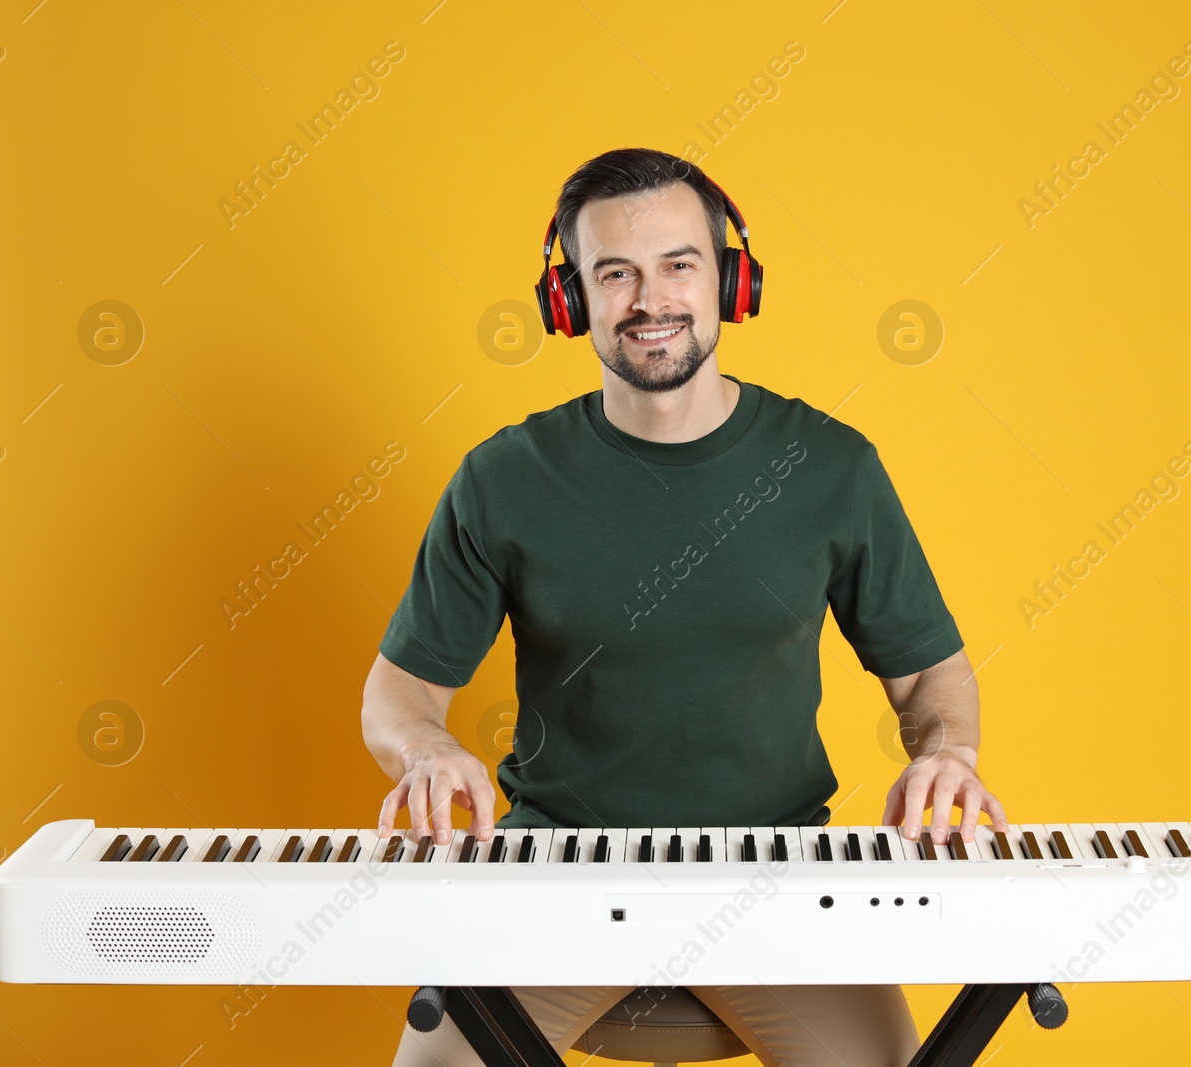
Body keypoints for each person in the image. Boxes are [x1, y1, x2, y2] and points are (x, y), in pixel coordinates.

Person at [361, 147, 1008, 1067]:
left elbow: (926, 673)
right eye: (614, 273)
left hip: (778, 881)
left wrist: (948, 753)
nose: (648, 300)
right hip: (555, 876)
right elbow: (397, 692)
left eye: (678, 264)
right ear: (572, 298)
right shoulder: (503, 478)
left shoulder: (831, 466)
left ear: (730, 281)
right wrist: (426, 750)